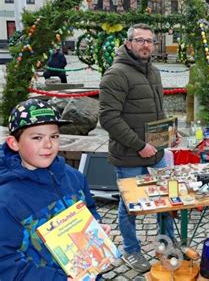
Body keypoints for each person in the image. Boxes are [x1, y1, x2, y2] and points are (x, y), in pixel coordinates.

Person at [0, 98, 107, 280]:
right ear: (14, 143)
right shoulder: (7, 199)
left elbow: (89, 208)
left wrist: (95, 226)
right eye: (37, 137)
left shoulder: (74, 176)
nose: (48, 145)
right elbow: (6, 264)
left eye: (54, 136)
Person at [99, 23, 174, 273]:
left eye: (149, 41)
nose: (145, 45)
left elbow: (157, 110)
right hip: (130, 155)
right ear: (128, 43)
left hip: (156, 153)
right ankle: (131, 251)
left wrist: (169, 134)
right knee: (130, 206)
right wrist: (140, 145)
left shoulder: (153, 71)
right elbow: (109, 118)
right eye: (140, 40)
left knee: (165, 200)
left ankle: (166, 244)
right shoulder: (116, 74)